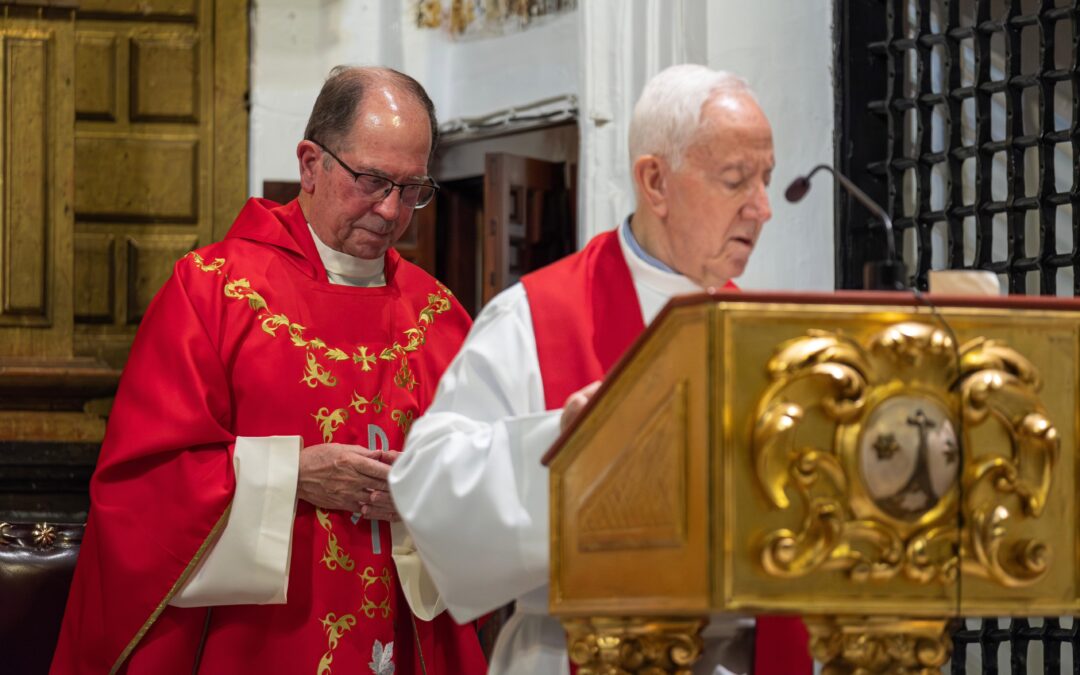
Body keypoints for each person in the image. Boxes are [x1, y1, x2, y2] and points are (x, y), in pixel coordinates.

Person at [51, 66, 486, 674]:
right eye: (372, 180)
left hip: (401, 640)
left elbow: (487, 482)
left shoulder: (440, 318)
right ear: (311, 163)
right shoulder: (213, 293)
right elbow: (142, 487)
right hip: (257, 643)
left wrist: (429, 489)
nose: (391, 211)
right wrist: (289, 476)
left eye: (412, 188)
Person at [388, 64, 812, 675]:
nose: (763, 208)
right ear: (656, 182)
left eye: (767, 180)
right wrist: (564, 451)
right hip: (577, 654)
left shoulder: (766, 336)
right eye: (736, 180)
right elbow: (428, 489)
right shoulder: (536, 317)